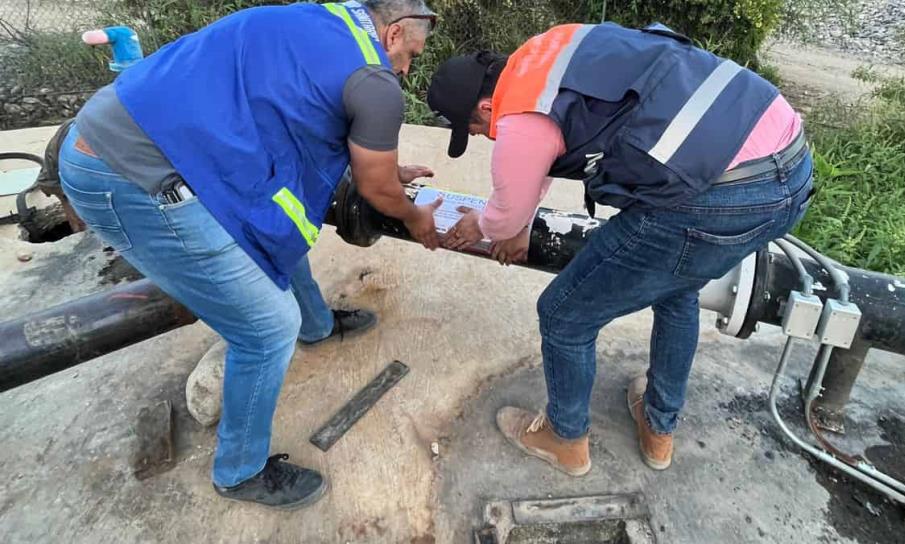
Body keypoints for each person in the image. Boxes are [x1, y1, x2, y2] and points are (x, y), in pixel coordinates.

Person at [59, 0, 441, 509]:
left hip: (120, 133)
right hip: (132, 176)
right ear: (392, 34)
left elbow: (295, 113)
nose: (406, 68)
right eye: (410, 53)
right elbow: (376, 188)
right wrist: (414, 216)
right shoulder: (375, 80)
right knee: (266, 328)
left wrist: (384, 172)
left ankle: (318, 325)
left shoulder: (315, 18)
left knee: (275, 226)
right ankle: (239, 471)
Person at [427, 22, 812, 476]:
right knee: (677, 288)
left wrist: (487, 224)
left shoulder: (518, 118)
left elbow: (509, 201)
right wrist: (520, 221)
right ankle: (658, 426)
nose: (479, 136)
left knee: (564, 314)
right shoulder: (546, 53)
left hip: (713, 199)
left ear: (487, 106)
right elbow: (551, 144)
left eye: (473, 128)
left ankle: (565, 438)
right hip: (790, 168)